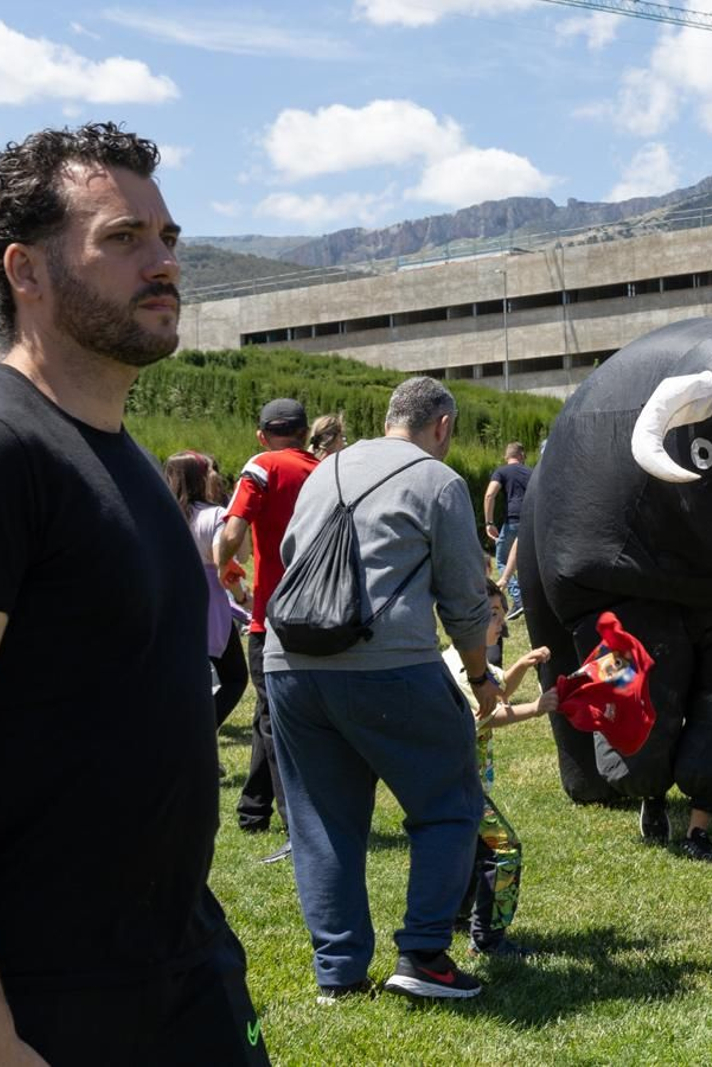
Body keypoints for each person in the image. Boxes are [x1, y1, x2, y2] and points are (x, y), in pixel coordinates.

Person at [0, 122, 268, 1065]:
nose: (163, 262)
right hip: (18, 995)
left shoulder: (122, 459)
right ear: (27, 271)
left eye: (167, 238)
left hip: (171, 964)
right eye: (123, 238)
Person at [266, 375, 500, 1003]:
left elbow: (292, 555)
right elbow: (465, 600)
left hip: (289, 664)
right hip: (386, 664)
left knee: (322, 820)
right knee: (450, 802)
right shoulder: (437, 481)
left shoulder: (327, 469)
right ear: (442, 426)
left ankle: (339, 974)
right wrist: (479, 678)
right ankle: (423, 955)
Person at [216, 397, 319, 859]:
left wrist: (227, 570)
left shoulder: (261, 466)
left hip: (271, 615)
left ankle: (298, 826)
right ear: (305, 432)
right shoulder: (326, 470)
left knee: (277, 720)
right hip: (318, 612)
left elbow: (232, 533)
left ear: (262, 435)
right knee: (267, 710)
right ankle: (253, 809)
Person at [443, 580, 558, 958]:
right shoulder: (460, 669)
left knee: (471, 850)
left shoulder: (468, 660)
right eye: (493, 614)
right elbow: (490, 713)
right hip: (457, 784)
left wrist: (522, 665)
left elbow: (498, 689)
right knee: (504, 849)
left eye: (502, 614)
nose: (500, 623)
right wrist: (537, 708)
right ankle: (488, 939)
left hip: (453, 782)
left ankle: (457, 917)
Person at [165, 451, 250, 729]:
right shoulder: (214, 515)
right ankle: (196, 733)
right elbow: (223, 562)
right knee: (235, 677)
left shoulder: (163, 514)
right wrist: (243, 598)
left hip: (171, 602)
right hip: (209, 605)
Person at [483, 442, 532, 616]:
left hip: (513, 520)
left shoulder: (502, 471)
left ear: (506, 456)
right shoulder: (531, 472)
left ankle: (519, 599)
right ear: (522, 455)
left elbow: (490, 495)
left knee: (502, 559)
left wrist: (489, 522)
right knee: (528, 561)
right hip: (531, 519)